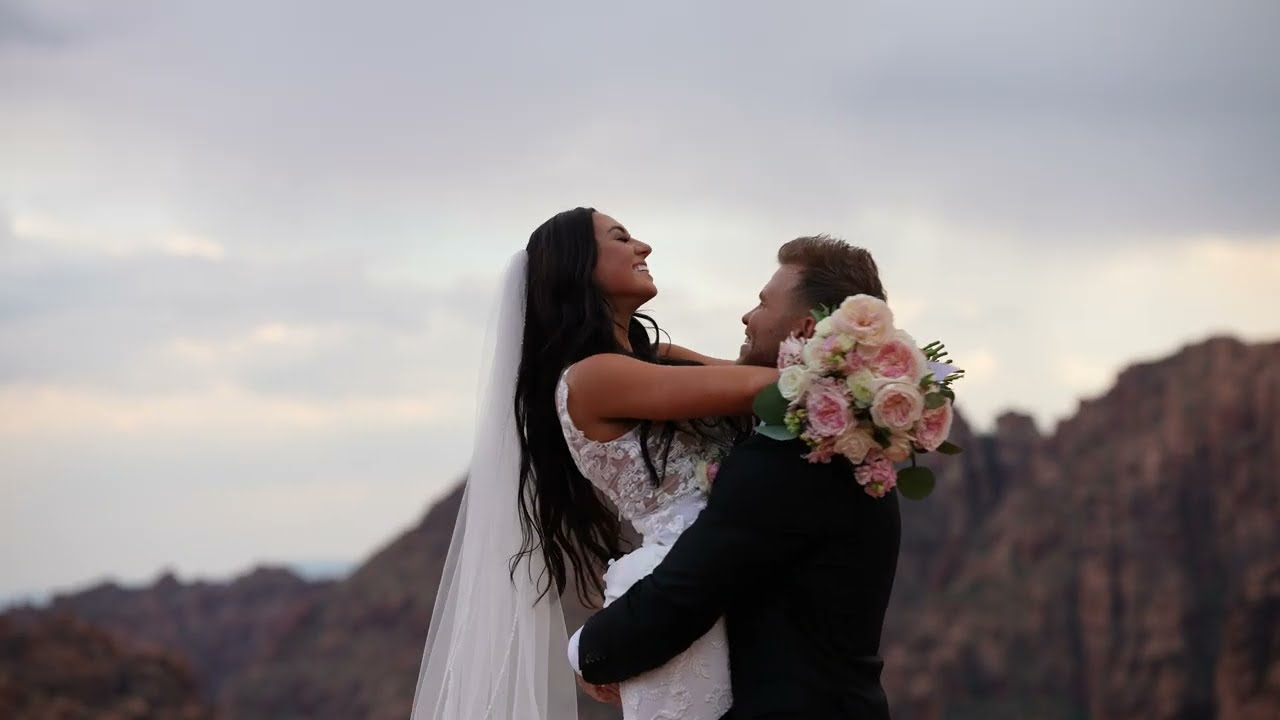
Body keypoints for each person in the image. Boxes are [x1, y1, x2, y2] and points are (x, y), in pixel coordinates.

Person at [411, 207, 776, 720]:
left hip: (724, 574)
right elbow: (765, 388)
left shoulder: (657, 358)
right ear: (578, 266)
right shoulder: (595, 376)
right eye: (622, 238)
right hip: (678, 584)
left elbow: (760, 379)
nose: (643, 247)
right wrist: (866, 362)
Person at [571, 234, 901, 719]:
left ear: (805, 328)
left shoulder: (784, 462)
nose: (748, 317)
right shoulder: (858, 448)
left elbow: (680, 599)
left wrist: (586, 652)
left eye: (763, 303)